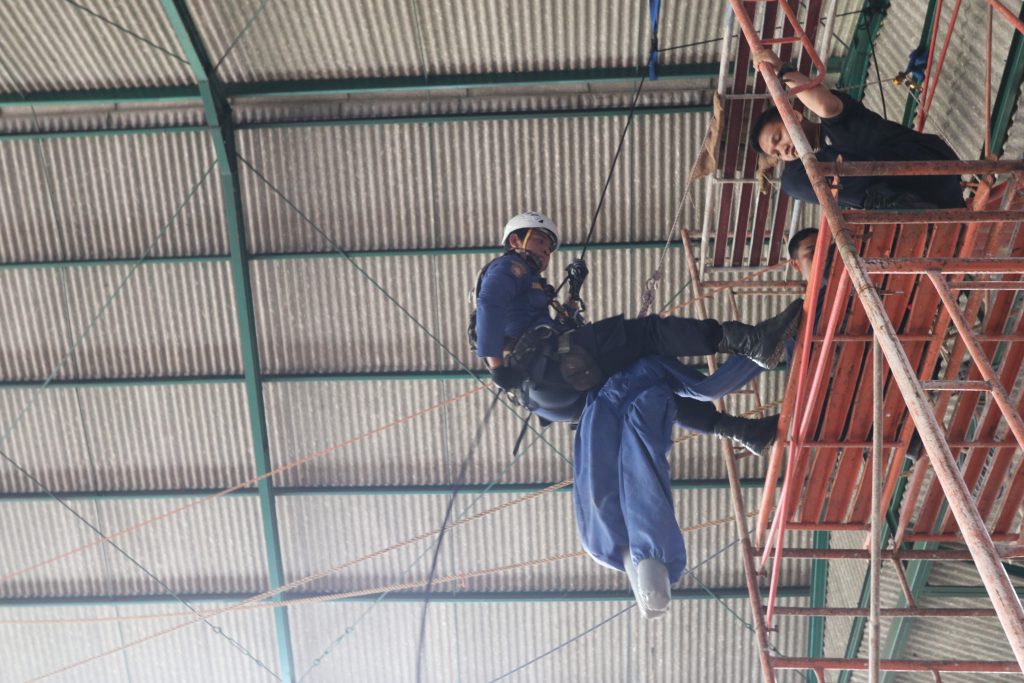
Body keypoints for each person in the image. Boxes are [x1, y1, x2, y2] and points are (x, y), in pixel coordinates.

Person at [471, 211, 803, 455]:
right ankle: (751, 341)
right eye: (541, 242)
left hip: (555, 395)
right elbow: (489, 304)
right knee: (650, 333)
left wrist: (573, 292)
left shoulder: (533, 295)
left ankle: (743, 431)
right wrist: (497, 368)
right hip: (548, 374)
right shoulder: (507, 267)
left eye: (548, 248)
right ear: (516, 241)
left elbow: (562, 331)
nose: (545, 252)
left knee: (650, 386)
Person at [748, 50, 965, 210]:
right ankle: (890, 210)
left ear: (794, 116)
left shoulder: (836, 120)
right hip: (918, 203)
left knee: (804, 177)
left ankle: (890, 205)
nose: (784, 150)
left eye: (779, 138)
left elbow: (824, 105)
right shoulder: (813, 169)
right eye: (776, 154)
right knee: (791, 182)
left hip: (926, 169)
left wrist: (780, 69)